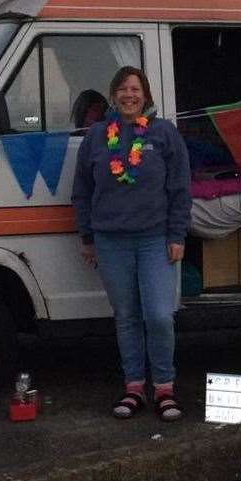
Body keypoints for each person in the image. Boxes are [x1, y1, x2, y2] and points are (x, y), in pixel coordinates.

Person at [71, 66, 192, 421]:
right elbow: (82, 191)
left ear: (146, 95)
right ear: (113, 95)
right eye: (122, 88)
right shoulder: (96, 136)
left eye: (135, 89)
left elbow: (181, 189)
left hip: (155, 239)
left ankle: (165, 389)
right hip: (110, 241)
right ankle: (134, 387)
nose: (129, 95)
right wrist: (87, 237)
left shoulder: (164, 133)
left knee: (158, 315)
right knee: (126, 316)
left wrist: (177, 235)